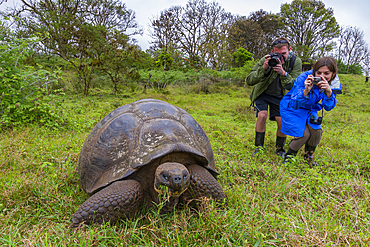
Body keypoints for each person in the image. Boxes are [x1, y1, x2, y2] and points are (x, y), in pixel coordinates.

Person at [245, 37, 302, 156]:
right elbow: (249, 80)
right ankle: (258, 148)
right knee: (262, 115)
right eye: (276, 54)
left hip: (281, 96)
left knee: (281, 121)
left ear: (289, 50)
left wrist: (283, 73)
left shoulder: (295, 62)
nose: (280, 57)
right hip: (263, 93)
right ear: (272, 51)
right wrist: (264, 68)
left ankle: (280, 149)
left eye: (283, 54)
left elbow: (294, 86)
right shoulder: (266, 59)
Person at [280, 57, 342, 165]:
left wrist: (328, 92)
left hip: (310, 108)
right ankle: (289, 157)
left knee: (316, 131)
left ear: (333, 73)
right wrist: (305, 91)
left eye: (326, 73)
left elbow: (328, 107)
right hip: (292, 108)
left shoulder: (334, 82)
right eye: (319, 73)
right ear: (314, 71)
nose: (322, 77)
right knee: (303, 134)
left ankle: (309, 156)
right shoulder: (303, 78)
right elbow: (294, 103)